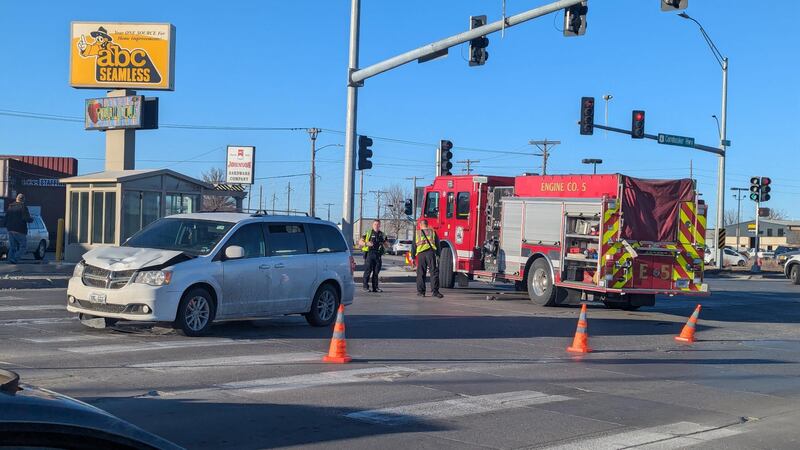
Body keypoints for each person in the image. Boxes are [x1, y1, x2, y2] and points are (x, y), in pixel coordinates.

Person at [415, 220, 443, 298]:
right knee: (434, 272)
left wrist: (413, 256)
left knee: (421, 273)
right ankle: (435, 291)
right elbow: (438, 244)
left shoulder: (417, 233)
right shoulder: (433, 232)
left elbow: (414, 245)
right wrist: (438, 254)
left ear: (420, 225)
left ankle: (421, 292)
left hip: (421, 254)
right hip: (431, 253)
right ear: (427, 225)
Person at [359, 220, 388, 293]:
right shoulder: (368, 233)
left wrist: (385, 245)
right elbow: (360, 242)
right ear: (372, 225)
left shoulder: (382, 234)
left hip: (378, 255)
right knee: (368, 271)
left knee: (376, 272)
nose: (376, 226)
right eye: (375, 224)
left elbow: (386, 244)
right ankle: (365, 287)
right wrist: (366, 243)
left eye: (378, 224)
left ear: (380, 225)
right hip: (370, 253)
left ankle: (375, 287)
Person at [5, 193, 33, 264]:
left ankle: (10, 260)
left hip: (10, 230)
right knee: (23, 247)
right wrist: (31, 219)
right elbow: (26, 218)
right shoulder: (23, 207)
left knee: (12, 246)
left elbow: (6, 217)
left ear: (16, 199)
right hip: (20, 230)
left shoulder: (10, 206)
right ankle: (15, 259)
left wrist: (6, 226)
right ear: (23, 200)